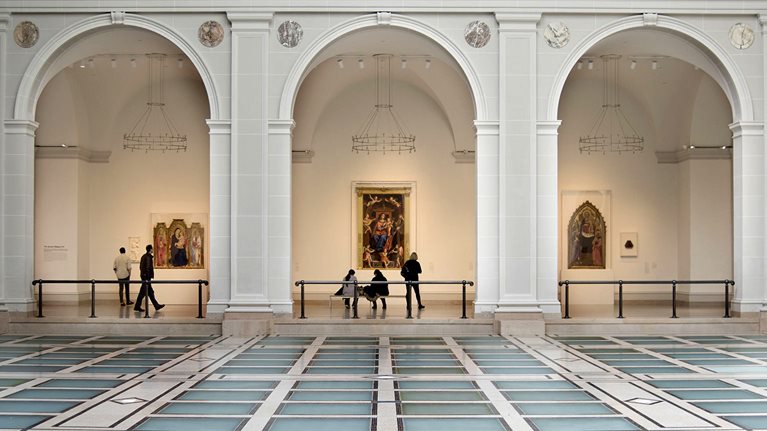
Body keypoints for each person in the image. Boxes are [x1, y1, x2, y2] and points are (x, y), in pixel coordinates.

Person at [135, 244, 165, 313]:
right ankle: (138, 306)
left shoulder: (143, 256)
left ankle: (156, 305)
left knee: (150, 292)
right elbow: (148, 267)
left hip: (144, 277)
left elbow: (140, 267)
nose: (153, 250)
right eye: (152, 249)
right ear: (150, 249)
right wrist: (148, 278)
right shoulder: (148, 257)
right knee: (143, 292)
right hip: (146, 278)